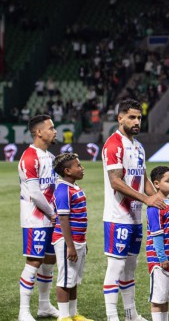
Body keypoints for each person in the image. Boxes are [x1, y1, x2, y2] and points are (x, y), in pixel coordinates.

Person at [102, 99, 166, 321]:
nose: (137, 121)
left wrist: (157, 198)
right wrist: (146, 199)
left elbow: (143, 176)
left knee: (131, 267)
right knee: (116, 267)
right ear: (120, 118)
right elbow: (115, 182)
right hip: (117, 217)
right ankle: (112, 317)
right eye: (131, 117)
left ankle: (130, 314)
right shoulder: (114, 145)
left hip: (135, 218)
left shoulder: (138, 146)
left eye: (139, 117)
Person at [18, 114, 60, 321]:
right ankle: (23, 311)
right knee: (34, 261)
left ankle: (44, 306)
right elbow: (35, 193)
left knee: (49, 260)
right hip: (35, 219)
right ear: (38, 132)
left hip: (51, 219)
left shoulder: (51, 158)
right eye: (51, 128)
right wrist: (53, 214)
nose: (55, 131)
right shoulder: (29, 157)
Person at [52, 152, 92, 321]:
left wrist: (82, 242)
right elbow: (63, 218)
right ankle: (63, 316)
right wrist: (70, 246)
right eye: (78, 166)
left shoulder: (74, 187)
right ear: (67, 171)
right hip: (67, 241)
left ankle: (73, 313)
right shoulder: (63, 190)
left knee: (73, 278)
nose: (82, 168)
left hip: (78, 241)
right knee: (64, 278)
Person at [145, 166, 169, 321]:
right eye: (168, 180)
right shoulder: (155, 206)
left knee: (166, 297)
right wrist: (161, 257)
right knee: (158, 298)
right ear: (157, 184)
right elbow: (156, 233)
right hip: (160, 259)